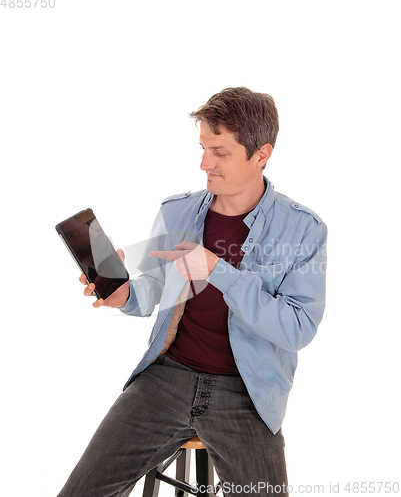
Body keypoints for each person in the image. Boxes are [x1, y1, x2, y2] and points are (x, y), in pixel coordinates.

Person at [57, 87, 327, 497]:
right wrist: (125, 295)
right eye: (203, 148)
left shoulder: (303, 229)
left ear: (261, 154)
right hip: (167, 377)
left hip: (247, 391)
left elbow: (298, 329)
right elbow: (155, 288)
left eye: (219, 152)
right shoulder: (177, 211)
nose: (204, 163)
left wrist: (220, 272)